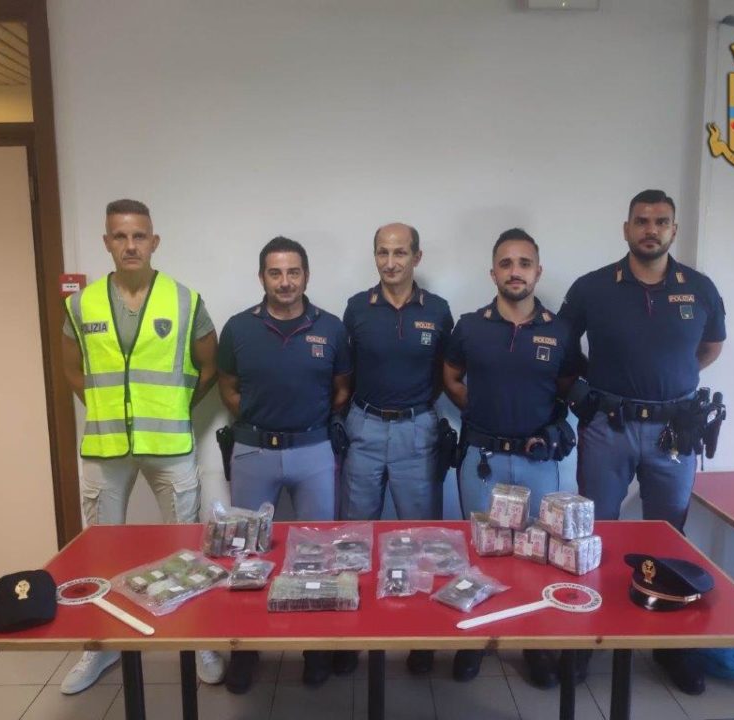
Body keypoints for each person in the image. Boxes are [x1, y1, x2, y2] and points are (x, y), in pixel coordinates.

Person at [558, 189, 726, 695]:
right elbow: (563, 347)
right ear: (626, 228)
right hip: (607, 426)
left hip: (674, 431)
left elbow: (710, 347)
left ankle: (670, 645)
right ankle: (586, 638)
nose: (651, 229)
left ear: (674, 230)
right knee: (592, 535)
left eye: (661, 221)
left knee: (668, 537)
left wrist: (670, 380)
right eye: (642, 221)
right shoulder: (592, 288)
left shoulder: (699, 288)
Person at [60, 199, 222, 693]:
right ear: (107, 242)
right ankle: (101, 647)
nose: (130, 245)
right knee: (101, 551)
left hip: (168, 442)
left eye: (139, 236)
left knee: (186, 548)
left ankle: (197, 640)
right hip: (105, 443)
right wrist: (106, 407)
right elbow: (72, 369)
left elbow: (209, 366)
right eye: (120, 236)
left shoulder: (184, 300)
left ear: (154, 241)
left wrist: (175, 408)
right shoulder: (81, 304)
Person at [216, 236, 352, 693]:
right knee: (245, 554)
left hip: (313, 451)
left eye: (293, 272)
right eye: (275, 273)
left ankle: (317, 649)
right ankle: (246, 650)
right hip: (253, 451)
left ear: (306, 276)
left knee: (318, 554)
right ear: (262, 278)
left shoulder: (330, 328)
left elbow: (342, 388)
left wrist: (304, 424)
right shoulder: (239, 328)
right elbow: (229, 386)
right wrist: (260, 421)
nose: (285, 281)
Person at [443, 228, 577, 685]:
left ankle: (534, 645)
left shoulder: (559, 330)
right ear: (493, 273)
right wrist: (480, 412)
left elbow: (565, 387)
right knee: (482, 552)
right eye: (506, 263)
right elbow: (451, 377)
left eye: (524, 263)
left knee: (537, 554)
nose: (515, 271)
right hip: (482, 459)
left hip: (538, 461)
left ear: (538, 271)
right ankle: (476, 641)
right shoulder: (470, 326)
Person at [340, 222, 453, 674]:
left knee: (420, 536)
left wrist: (417, 410)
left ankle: (420, 638)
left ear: (416, 257)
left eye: (400, 253)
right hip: (364, 426)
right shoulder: (356, 308)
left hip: (416, 429)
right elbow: (345, 371)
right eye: (383, 253)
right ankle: (350, 637)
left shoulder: (438, 310)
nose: (391, 262)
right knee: (355, 537)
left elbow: (445, 372)